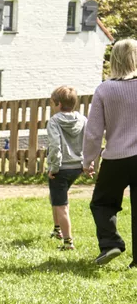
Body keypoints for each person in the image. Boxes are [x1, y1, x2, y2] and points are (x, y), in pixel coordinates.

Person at [85, 38, 137, 266]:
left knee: (103, 202)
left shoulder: (105, 89)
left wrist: (88, 160)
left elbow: (93, 132)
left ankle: (111, 243)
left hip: (116, 158)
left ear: (113, 59)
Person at [45, 86, 86, 251]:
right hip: (77, 166)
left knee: (62, 205)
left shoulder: (54, 121)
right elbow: (89, 140)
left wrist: (54, 167)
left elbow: (55, 146)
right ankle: (57, 229)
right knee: (56, 196)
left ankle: (68, 242)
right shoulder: (83, 119)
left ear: (58, 104)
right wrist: (87, 163)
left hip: (60, 168)